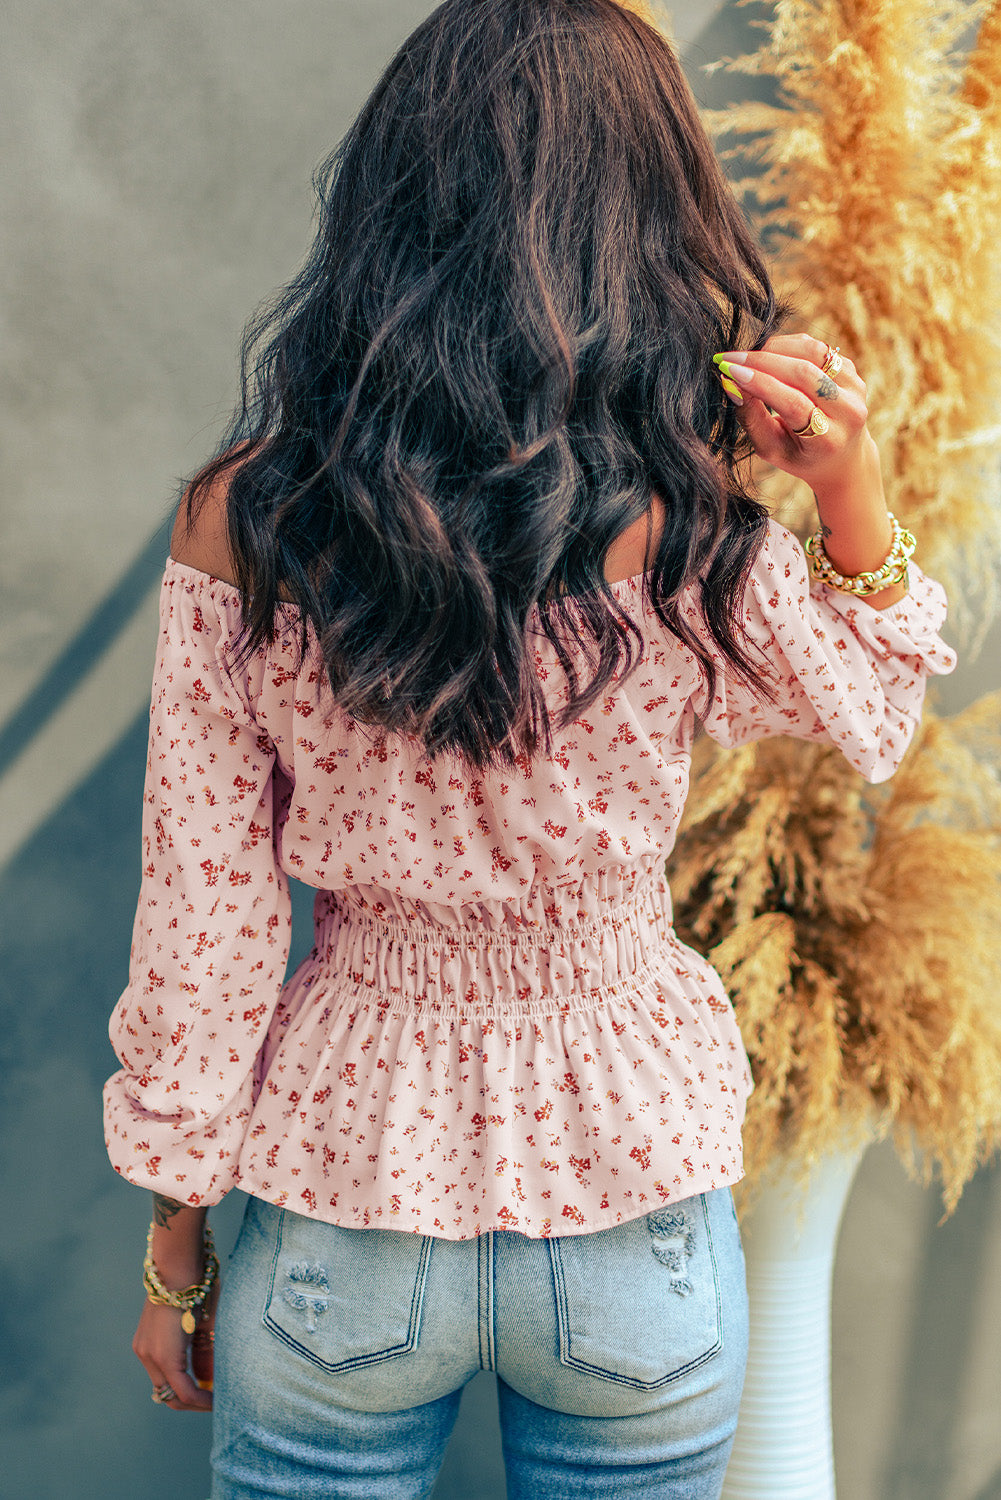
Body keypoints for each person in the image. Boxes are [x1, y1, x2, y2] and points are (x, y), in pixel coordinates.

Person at [104, 1, 956, 1495]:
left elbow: (204, 919)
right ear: (648, 211)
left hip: (341, 1187)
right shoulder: (686, 523)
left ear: (392, 199)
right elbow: (871, 716)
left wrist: (179, 1238)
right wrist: (851, 500)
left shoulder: (249, 519)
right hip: (629, 1194)